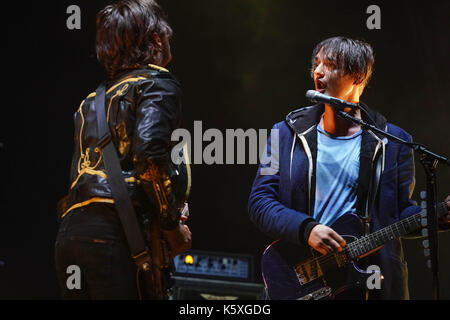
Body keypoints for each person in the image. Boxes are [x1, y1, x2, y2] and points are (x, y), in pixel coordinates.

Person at [248, 36, 450, 300]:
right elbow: (260, 201)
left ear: (357, 76)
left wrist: (437, 217)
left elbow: (397, 214)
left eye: (330, 65)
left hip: (366, 283)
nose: (318, 71)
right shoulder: (284, 134)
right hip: (303, 278)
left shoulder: (394, 142)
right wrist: (306, 229)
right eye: (316, 64)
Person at [55, 0, 192, 299]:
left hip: (70, 234)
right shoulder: (156, 84)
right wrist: (171, 227)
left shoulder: (89, 101)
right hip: (116, 234)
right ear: (157, 39)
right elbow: (149, 159)